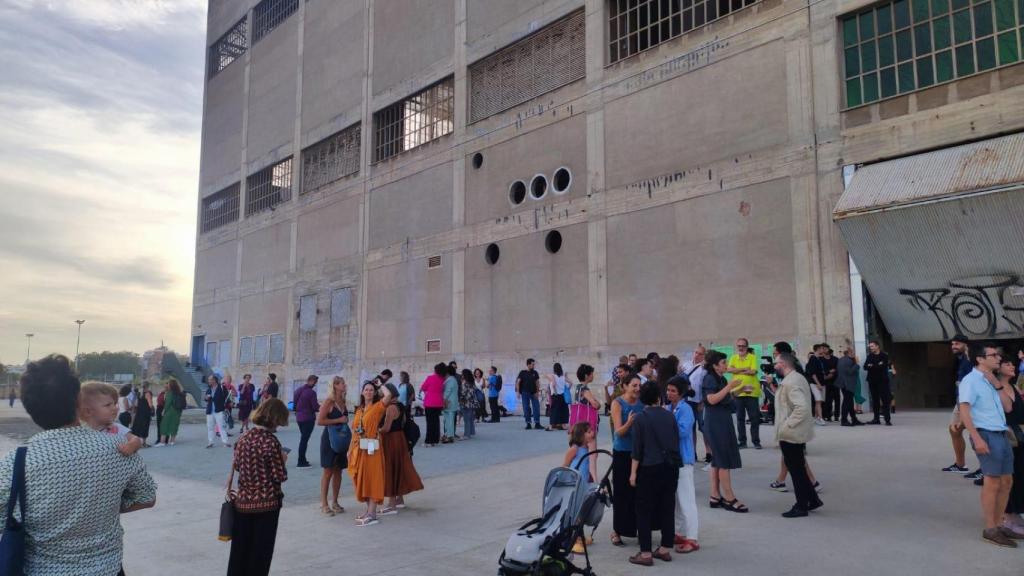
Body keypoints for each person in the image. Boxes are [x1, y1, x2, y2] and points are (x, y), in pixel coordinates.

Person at [0, 355, 156, 575]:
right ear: (78, 400)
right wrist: (104, 506)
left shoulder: (17, 462)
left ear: (29, 407)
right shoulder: (119, 447)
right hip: (107, 569)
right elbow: (147, 498)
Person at [959, 342, 1015, 546]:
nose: (998, 358)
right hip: (986, 434)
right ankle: (990, 528)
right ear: (980, 359)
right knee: (992, 482)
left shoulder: (992, 380)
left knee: (1006, 481)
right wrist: (977, 438)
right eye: (993, 355)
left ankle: (1000, 525)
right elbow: (964, 410)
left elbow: (1008, 407)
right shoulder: (970, 381)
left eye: (998, 355)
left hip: (1001, 433)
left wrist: (997, 384)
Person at [227, 398, 290, 576]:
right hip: (267, 505)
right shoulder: (271, 442)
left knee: (239, 552)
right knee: (260, 554)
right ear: (275, 419)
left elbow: (238, 467)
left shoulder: (243, 438)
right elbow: (280, 476)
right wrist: (283, 460)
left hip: (243, 503)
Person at [627, 381, 680, 566]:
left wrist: (633, 473)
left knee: (643, 510)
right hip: (670, 467)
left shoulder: (640, 418)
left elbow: (637, 450)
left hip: (649, 467)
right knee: (667, 506)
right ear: (659, 397)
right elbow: (675, 441)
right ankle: (665, 548)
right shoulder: (670, 416)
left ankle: (646, 552)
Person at [774, 354, 822, 518]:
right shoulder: (796, 378)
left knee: (796, 470)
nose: (774, 366)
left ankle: (801, 505)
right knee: (798, 467)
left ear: (783, 364)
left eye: (776, 363)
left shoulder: (791, 382)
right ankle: (812, 499)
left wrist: (786, 425)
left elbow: (801, 408)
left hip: (791, 433)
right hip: (796, 432)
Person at [703, 350, 748, 512]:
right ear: (715, 365)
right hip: (715, 423)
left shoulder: (720, 378)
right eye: (723, 363)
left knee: (717, 460)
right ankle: (729, 498)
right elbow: (711, 399)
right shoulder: (709, 378)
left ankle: (714, 496)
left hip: (722, 421)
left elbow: (722, 398)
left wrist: (737, 391)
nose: (726, 365)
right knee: (723, 461)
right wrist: (730, 386)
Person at [665, 377, 699, 553]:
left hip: (683, 459)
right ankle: (679, 532)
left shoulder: (685, 409)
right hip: (672, 459)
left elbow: (683, 431)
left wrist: (664, 425)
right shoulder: (669, 408)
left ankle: (692, 537)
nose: (669, 393)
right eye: (668, 390)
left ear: (681, 392)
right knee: (677, 500)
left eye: (673, 391)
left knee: (686, 499)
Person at [380, 383, 424, 514]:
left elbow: (386, 428)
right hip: (400, 439)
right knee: (398, 467)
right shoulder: (400, 405)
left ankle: (391, 504)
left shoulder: (390, 408)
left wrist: (375, 430)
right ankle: (399, 499)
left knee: (391, 469)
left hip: (391, 439)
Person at [609, 373, 642, 546]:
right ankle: (617, 530)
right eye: (634, 385)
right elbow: (618, 432)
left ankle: (635, 527)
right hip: (622, 452)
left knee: (637, 492)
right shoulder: (618, 403)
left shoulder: (642, 403)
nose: (637, 389)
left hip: (639, 453)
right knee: (621, 492)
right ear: (625, 386)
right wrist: (629, 423)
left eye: (639, 385)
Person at [349, 381, 386, 526]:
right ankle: (369, 512)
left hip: (371, 447)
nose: (369, 392)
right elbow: (354, 431)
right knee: (361, 478)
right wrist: (349, 449)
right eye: (366, 389)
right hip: (359, 448)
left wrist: (380, 383)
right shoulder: (359, 410)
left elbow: (389, 395)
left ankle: (372, 514)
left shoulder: (378, 407)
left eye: (371, 390)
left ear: (375, 392)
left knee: (372, 478)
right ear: (362, 392)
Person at [997, 355, 1024, 536]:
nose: (1012, 366)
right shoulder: (995, 389)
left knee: (1020, 476)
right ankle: (1007, 517)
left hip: (1021, 437)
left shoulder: (1015, 387)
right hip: (1008, 437)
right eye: (1007, 364)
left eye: (1012, 363)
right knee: (1009, 478)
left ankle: (1016, 514)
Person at [943, 334, 976, 474]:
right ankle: (960, 464)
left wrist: (966, 410)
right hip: (961, 400)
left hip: (971, 401)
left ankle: (985, 469)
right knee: (954, 429)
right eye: (952, 344)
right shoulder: (960, 359)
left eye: (957, 344)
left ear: (965, 344)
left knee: (978, 434)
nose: (953, 346)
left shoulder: (971, 359)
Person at [564, 421, 597, 554]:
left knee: (582, 511)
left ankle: (580, 536)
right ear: (581, 435)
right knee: (575, 513)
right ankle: (574, 539)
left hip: (583, 485)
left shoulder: (589, 448)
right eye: (588, 432)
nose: (592, 433)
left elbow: (591, 467)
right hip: (573, 485)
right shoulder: (574, 449)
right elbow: (564, 466)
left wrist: (596, 483)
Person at [317, 376, 349, 516]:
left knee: (338, 471)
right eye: (342, 383)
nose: (345, 385)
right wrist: (339, 419)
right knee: (328, 471)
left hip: (341, 440)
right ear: (335, 385)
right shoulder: (329, 402)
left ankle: (335, 501)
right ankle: (324, 503)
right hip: (329, 439)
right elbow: (320, 421)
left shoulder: (343, 401)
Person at [727, 338, 762, 449]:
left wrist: (737, 369)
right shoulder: (733, 357)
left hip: (751, 392)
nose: (741, 348)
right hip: (738, 392)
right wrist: (744, 369)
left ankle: (756, 441)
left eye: (743, 346)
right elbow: (729, 370)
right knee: (740, 419)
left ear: (747, 347)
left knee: (754, 418)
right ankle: (742, 442)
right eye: (739, 346)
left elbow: (753, 371)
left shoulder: (752, 357)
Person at [864, 340, 893, 426]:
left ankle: (887, 420)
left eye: (872, 346)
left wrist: (872, 365)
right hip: (872, 381)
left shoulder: (884, 356)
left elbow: (883, 366)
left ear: (877, 346)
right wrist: (875, 365)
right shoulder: (870, 356)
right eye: (870, 346)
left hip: (882, 381)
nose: (871, 348)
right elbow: (865, 366)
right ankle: (876, 419)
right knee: (875, 400)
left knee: (885, 400)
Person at [294, 375, 320, 468]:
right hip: (308, 418)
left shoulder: (298, 390)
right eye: (315, 382)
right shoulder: (311, 393)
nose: (315, 384)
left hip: (299, 418)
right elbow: (315, 407)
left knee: (303, 439)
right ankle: (301, 461)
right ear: (311, 381)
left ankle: (303, 459)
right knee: (304, 440)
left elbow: (294, 404)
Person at [836, 346, 864, 426]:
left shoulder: (841, 360)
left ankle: (854, 419)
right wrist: (857, 364)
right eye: (853, 353)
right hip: (848, 384)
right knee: (846, 402)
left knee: (849, 402)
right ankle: (844, 420)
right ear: (849, 353)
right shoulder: (848, 361)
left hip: (844, 384)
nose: (854, 354)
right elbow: (850, 372)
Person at [421, 363, 446, 446]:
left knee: (429, 423)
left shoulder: (430, 378)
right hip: (439, 402)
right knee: (436, 421)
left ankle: (428, 441)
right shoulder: (443, 379)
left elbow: (423, 387)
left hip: (429, 402)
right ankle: (435, 440)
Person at [205, 374, 231, 448]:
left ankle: (225, 442)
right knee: (210, 427)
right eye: (209, 379)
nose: (209, 381)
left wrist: (229, 405)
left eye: (210, 379)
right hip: (210, 411)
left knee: (221, 427)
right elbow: (205, 398)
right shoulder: (209, 389)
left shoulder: (222, 388)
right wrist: (206, 398)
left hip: (219, 410)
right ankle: (210, 442)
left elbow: (227, 397)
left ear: (214, 380)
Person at [157, 378, 185, 446]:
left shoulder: (170, 393)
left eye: (168, 384)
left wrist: (164, 411)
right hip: (177, 411)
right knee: (174, 425)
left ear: (171, 385)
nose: (167, 385)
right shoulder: (179, 393)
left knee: (164, 425)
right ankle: (172, 441)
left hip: (170, 411)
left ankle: (162, 442)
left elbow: (168, 403)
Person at [805, 344, 828, 425]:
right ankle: (820, 418)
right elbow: (813, 373)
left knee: (819, 401)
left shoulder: (820, 359)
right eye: (822, 348)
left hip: (822, 383)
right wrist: (818, 384)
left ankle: (816, 417)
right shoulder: (813, 359)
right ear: (818, 349)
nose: (823, 350)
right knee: (818, 400)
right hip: (815, 383)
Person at [517, 358, 542, 430]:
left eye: (534, 364)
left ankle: (537, 423)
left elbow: (537, 383)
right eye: (532, 364)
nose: (534, 366)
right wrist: (518, 392)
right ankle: (528, 423)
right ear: (528, 365)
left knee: (536, 407)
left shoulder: (535, 373)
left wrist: (537, 392)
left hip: (534, 393)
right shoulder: (522, 372)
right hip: (525, 393)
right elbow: (518, 382)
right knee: (526, 408)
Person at [547, 363, 570, 431]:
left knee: (554, 410)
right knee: (563, 410)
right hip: (562, 396)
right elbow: (571, 383)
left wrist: (555, 392)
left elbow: (553, 384)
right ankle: (562, 425)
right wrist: (567, 390)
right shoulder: (563, 377)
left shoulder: (553, 376)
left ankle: (551, 426)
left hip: (555, 395)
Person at [442, 365, 459, 443]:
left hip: (449, 402)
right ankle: (447, 434)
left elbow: (447, 392)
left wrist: (442, 399)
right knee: (448, 420)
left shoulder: (450, 380)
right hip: (450, 402)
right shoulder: (452, 379)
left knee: (449, 420)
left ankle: (450, 436)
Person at [459, 369, 478, 439]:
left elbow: (463, 393)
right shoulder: (472, 382)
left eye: (462, 374)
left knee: (466, 419)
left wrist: (460, 398)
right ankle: (471, 432)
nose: (461, 375)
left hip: (465, 402)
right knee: (470, 418)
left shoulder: (465, 383)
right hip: (472, 402)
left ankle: (466, 434)